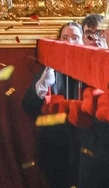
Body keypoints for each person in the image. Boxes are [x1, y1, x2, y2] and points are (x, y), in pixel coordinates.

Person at [23, 21, 82, 188]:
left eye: (75, 37)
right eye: (65, 38)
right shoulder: (50, 68)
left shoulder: (95, 66)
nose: (70, 42)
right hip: (55, 141)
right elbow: (28, 106)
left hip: (84, 143)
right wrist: (40, 87)